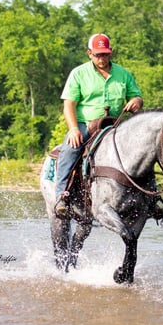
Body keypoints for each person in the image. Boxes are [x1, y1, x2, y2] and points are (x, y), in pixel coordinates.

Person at [54, 33, 144, 217]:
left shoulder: (123, 74)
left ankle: (150, 197)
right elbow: (68, 105)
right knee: (70, 149)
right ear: (89, 53)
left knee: (143, 149)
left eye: (105, 54)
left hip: (115, 125)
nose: (102, 58)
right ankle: (61, 196)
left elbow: (136, 96)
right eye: (97, 54)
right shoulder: (78, 73)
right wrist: (73, 129)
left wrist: (136, 101)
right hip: (86, 124)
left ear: (110, 53)